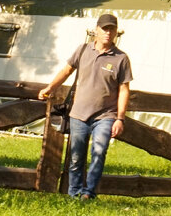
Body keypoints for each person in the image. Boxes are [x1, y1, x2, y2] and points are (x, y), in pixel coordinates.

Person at [37, 13, 132, 200]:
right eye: (104, 28)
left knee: (99, 152)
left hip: (106, 115)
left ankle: (89, 193)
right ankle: (74, 194)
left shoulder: (121, 58)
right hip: (79, 113)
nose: (108, 32)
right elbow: (66, 71)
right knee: (76, 157)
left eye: (111, 29)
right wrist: (50, 87)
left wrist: (120, 118)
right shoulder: (82, 50)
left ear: (116, 32)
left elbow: (124, 89)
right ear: (96, 30)